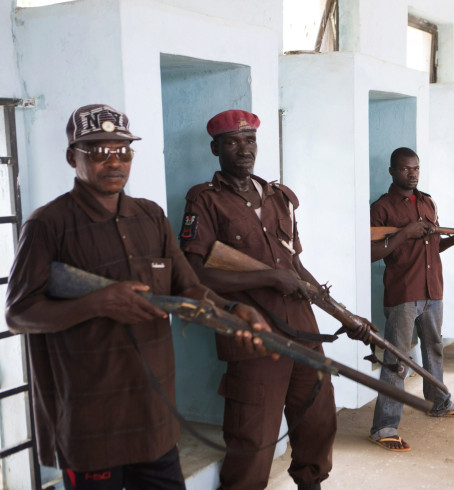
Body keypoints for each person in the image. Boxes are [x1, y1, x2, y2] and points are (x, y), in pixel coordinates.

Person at [5, 104, 268, 490]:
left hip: (155, 416)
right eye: (98, 152)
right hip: (92, 421)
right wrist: (96, 303)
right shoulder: (48, 225)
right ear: (70, 157)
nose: (114, 162)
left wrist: (232, 312)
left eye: (123, 151)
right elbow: (18, 313)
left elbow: (188, 289)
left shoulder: (151, 217)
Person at [180, 110, 367, 489]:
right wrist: (267, 276)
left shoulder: (278, 197)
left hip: (303, 329)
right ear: (215, 148)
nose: (243, 149)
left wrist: (345, 316)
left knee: (317, 415)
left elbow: (296, 266)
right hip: (253, 333)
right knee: (253, 433)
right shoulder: (205, 201)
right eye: (232, 142)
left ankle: (310, 482)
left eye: (249, 141)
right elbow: (193, 274)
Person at [369, 147, 454, 452]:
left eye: (415, 168)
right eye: (405, 169)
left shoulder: (427, 202)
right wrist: (404, 233)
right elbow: (371, 252)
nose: (412, 174)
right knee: (397, 360)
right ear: (392, 171)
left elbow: (430, 247)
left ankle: (439, 402)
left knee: (434, 349)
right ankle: (384, 427)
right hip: (403, 292)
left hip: (432, 290)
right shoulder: (381, 208)